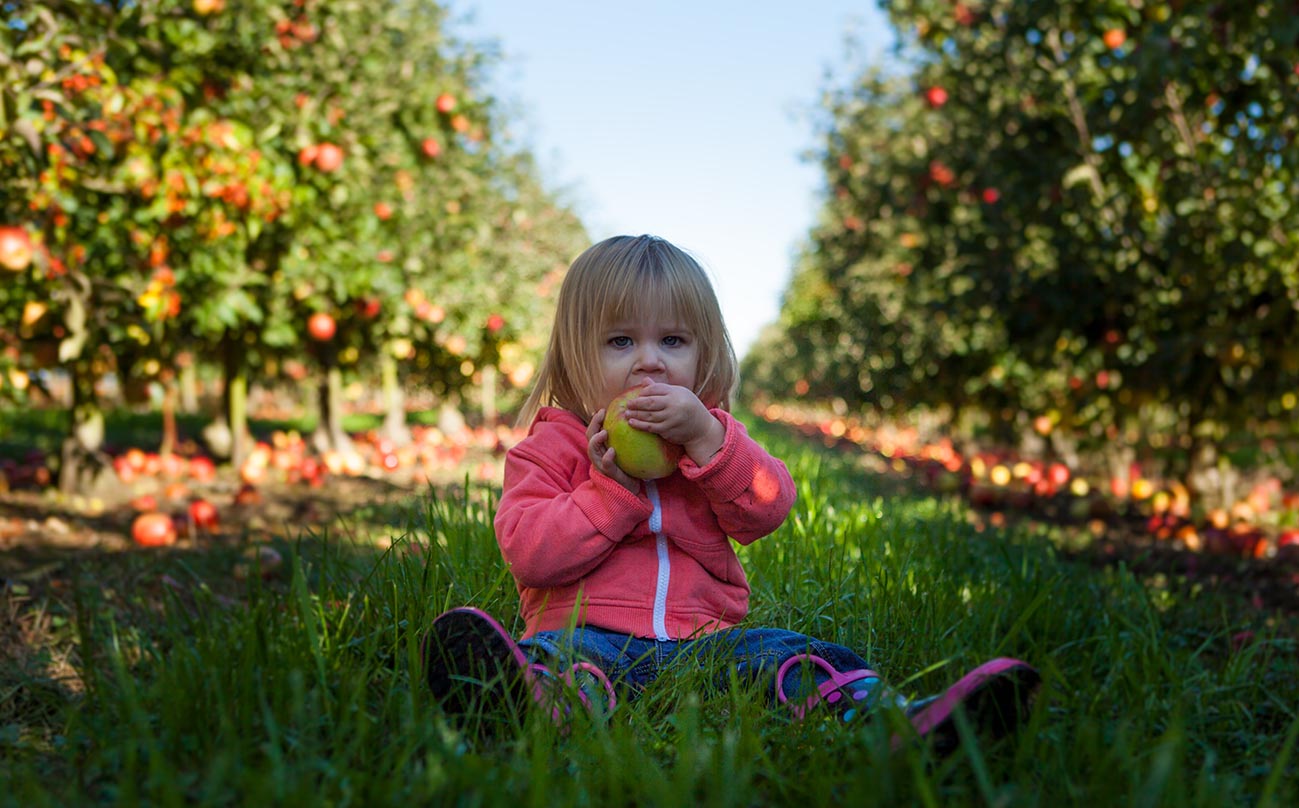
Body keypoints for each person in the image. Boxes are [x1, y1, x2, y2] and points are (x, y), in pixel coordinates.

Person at [423, 234, 1039, 752]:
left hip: (706, 643)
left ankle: (899, 722)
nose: (649, 364)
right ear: (573, 353)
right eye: (620, 342)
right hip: (585, 632)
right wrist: (609, 493)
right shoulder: (548, 450)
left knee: (795, 656)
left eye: (673, 341)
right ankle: (524, 703)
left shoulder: (712, 439)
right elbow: (530, 554)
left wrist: (709, 442)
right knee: (560, 662)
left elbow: (768, 508)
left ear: (703, 352)